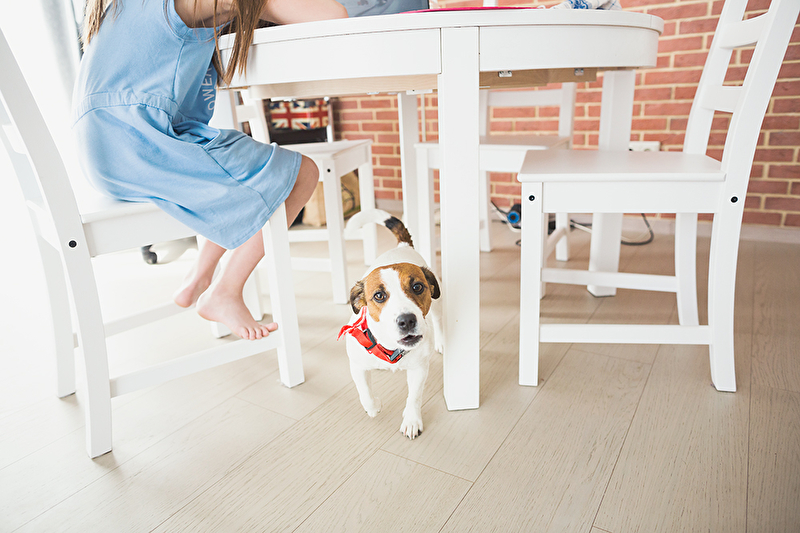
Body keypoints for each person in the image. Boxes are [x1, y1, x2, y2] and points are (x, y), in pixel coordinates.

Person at [73, 0, 348, 340]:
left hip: (111, 154)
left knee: (237, 170)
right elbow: (333, 15)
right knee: (303, 173)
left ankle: (200, 276)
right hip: (143, 146)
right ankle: (225, 290)